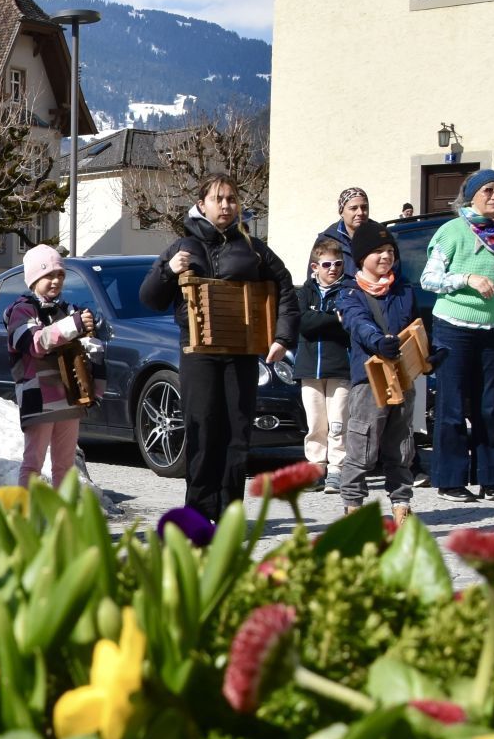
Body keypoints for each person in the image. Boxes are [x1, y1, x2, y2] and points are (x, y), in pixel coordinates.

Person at [138, 174, 299, 522]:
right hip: (198, 353)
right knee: (202, 429)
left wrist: (282, 337)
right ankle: (197, 512)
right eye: (218, 199)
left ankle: (229, 514)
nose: (226, 205)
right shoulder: (181, 248)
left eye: (231, 198)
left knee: (237, 433)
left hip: (241, 350)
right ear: (202, 204)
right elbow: (149, 298)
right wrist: (168, 270)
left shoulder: (253, 248)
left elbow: (285, 287)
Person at [420, 168, 494, 503]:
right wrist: (466, 279)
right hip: (454, 326)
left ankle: (489, 479)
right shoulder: (452, 231)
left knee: (489, 406)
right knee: (451, 406)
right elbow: (429, 279)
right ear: (473, 195)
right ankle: (450, 480)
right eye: (489, 190)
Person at [335, 220, 422, 524]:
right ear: (361, 258)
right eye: (377, 252)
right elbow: (358, 324)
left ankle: (401, 505)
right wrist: (378, 343)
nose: (385, 257)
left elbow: (417, 327)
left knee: (401, 445)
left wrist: (430, 353)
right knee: (363, 445)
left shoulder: (404, 290)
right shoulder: (349, 294)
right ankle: (353, 506)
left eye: (389, 251)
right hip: (369, 380)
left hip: (404, 378)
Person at [6, 244, 96, 488]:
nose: (55, 281)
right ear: (33, 279)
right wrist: (72, 326)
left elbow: (85, 350)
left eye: (60, 275)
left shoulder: (67, 309)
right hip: (37, 398)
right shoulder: (21, 310)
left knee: (65, 465)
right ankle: (26, 517)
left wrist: (91, 333)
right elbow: (35, 343)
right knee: (33, 463)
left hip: (68, 397)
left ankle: (62, 519)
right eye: (48, 275)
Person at [295, 235, 352, 493]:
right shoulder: (305, 291)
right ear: (315, 267)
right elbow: (303, 324)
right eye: (327, 264)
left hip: (340, 366)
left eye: (338, 264)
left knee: (339, 420)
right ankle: (316, 466)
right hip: (309, 367)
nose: (333, 269)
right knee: (316, 421)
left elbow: (350, 323)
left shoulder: (350, 289)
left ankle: (337, 469)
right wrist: (332, 319)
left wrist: (322, 319)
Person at [326, 186, 371, 274]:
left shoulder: (382, 237)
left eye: (364, 207)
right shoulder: (326, 240)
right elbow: (314, 281)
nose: (360, 212)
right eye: (354, 208)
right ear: (341, 212)